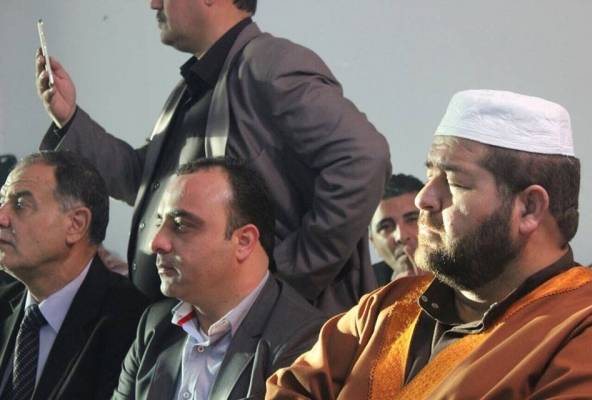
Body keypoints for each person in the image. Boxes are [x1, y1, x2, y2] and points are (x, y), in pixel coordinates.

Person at [35, 0, 391, 315]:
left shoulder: (270, 63)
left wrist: (283, 278)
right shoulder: (194, 85)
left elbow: (364, 158)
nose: (153, 4)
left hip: (267, 336)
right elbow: (144, 181)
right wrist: (69, 119)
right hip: (193, 329)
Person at [266, 90, 592, 399]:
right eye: (430, 177)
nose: (424, 199)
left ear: (529, 208)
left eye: (454, 183)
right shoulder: (385, 308)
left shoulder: (584, 326)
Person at [112, 158, 325, 400]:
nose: (156, 243)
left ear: (244, 241)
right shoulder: (155, 325)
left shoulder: (307, 341)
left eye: (180, 225)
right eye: (159, 222)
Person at [0, 151, 148, 400]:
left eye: (21, 204)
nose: (2, 217)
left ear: (76, 224)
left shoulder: (131, 324)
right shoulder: (5, 304)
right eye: (1, 201)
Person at [370, 173, 426, 286]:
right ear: (372, 241)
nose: (401, 236)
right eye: (386, 227)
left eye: (412, 219)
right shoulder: (359, 290)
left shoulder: (463, 275)